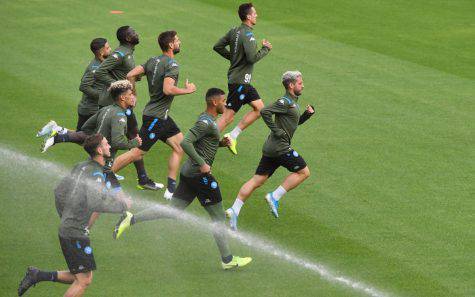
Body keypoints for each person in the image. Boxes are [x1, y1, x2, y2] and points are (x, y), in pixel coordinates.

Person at [113, 88, 252, 269]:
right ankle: (227, 260)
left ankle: (130, 219)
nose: (226, 104)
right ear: (215, 102)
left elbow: (202, 143)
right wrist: (202, 163)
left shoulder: (208, 120)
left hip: (189, 174)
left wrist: (220, 144)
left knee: (173, 210)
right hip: (199, 176)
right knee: (218, 216)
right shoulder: (205, 122)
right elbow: (185, 142)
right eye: (224, 101)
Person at [17, 134, 131, 297]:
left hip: (70, 228)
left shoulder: (81, 166)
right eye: (106, 144)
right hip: (74, 231)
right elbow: (95, 203)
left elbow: (59, 192)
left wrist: (67, 216)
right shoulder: (96, 174)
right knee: (83, 280)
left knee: (82, 276)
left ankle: (38, 275)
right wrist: (122, 205)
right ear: (99, 150)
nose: (109, 147)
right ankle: (37, 275)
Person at [225, 71, 315, 230]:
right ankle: (275, 196)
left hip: (272, 149)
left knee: (257, 180)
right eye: (300, 83)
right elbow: (265, 112)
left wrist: (306, 116)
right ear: (291, 85)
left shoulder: (292, 103)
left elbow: (292, 124)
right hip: (280, 148)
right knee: (304, 172)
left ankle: (235, 209)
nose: (303, 85)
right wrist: (275, 130)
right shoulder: (285, 101)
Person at [113, 30, 196, 200]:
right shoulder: (172, 65)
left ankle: (171, 190)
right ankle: (103, 174)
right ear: (171, 45)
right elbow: (167, 89)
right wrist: (187, 90)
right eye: (177, 40)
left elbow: (130, 74)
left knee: (180, 147)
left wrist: (133, 94)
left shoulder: (153, 60)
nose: (180, 42)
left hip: (160, 116)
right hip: (156, 118)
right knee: (137, 152)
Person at [94, 25, 161, 190]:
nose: (136, 33)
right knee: (110, 140)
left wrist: (129, 81)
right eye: (133, 33)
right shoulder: (120, 54)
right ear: (127, 38)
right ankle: (102, 175)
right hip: (113, 103)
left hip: (123, 102)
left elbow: (122, 73)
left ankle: (142, 178)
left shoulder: (128, 53)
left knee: (133, 135)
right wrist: (120, 86)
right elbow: (100, 72)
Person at [213, 2, 272, 155]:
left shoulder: (234, 31)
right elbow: (252, 58)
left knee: (260, 109)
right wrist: (265, 49)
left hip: (241, 81)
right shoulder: (248, 35)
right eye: (254, 13)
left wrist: (233, 59)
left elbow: (217, 46)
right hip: (240, 82)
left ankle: (232, 136)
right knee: (228, 116)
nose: (256, 15)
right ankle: (205, 141)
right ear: (248, 16)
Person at [35, 38, 111, 138]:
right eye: (108, 47)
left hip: (92, 107)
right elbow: (84, 86)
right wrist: (102, 96)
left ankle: (56, 129)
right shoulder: (95, 68)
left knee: (82, 136)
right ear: (101, 52)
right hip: (91, 109)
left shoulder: (102, 63)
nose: (110, 49)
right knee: (89, 138)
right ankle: (56, 130)